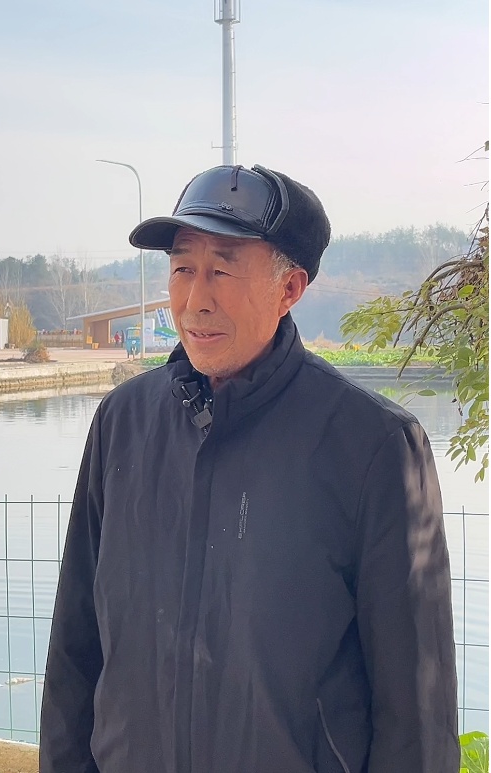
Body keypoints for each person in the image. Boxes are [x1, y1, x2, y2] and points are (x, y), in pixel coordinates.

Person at [40, 164, 459, 773]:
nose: (196, 300)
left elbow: (416, 717)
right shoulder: (123, 423)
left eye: (222, 270)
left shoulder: (373, 447)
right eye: (183, 268)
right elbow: (74, 652)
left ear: (290, 289)